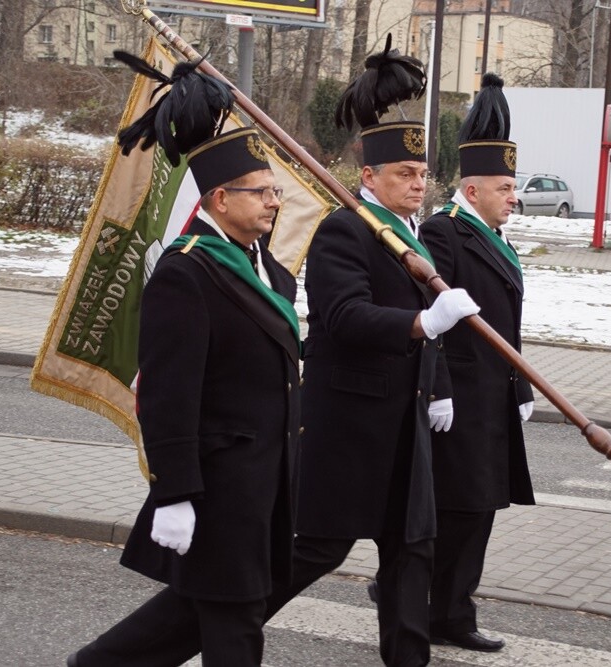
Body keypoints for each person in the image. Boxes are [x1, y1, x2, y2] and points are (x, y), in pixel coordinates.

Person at [262, 37, 479, 667]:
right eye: (403, 175)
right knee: (314, 553)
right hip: (349, 428)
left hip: (405, 430)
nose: (418, 184)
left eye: (422, 174)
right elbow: (344, 317)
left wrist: (436, 385)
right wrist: (420, 323)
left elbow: (428, 331)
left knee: (413, 551)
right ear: (368, 178)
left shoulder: (415, 237)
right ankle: (212, 618)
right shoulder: (344, 230)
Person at [67, 126, 302, 666]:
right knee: (235, 617)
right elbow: (168, 395)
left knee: (204, 605)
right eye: (261, 192)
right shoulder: (186, 273)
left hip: (267, 480)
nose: (274, 202)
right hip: (221, 484)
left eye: (275, 191)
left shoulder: (268, 270)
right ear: (220, 199)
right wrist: (174, 493)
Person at [417, 73, 536, 653]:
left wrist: (520, 388)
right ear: (473, 188)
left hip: (492, 395)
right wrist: (438, 388)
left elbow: (505, 324)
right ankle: (439, 608)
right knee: (458, 508)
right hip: (458, 396)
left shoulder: (496, 237)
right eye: (506, 187)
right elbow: (431, 314)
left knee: (480, 508)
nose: (515, 196)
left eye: (514, 187)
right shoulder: (443, 233)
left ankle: (446, 605)